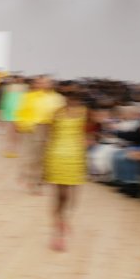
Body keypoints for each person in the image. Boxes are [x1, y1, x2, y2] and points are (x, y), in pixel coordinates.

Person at [43, 88, 87, 251]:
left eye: (75, 98)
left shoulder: (85, 113)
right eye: (69, 97)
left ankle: (64, 221)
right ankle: (58, 232)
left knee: (72, 197)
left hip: (75, 156)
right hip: (58, 156)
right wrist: (46, 162)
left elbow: (89, 133)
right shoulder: (56, 113)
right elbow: (49, 136)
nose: (72, 101)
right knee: (61, 196)